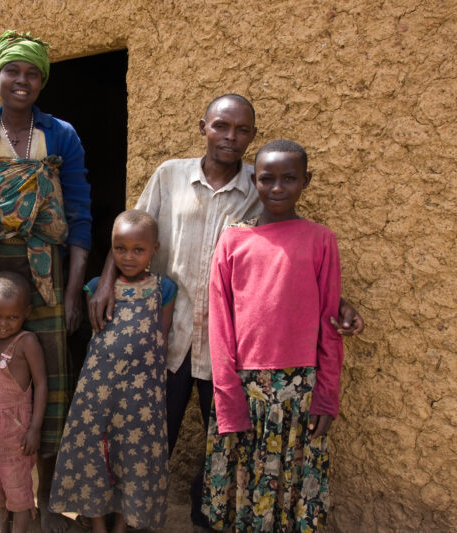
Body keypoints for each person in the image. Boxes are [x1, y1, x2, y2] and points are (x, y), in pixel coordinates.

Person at [88, 94, 364, 529]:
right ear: (204, 127)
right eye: (221, 126)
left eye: (241, 130)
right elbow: (132, 231)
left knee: (224, 446)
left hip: (226, 351)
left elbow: (289, 253)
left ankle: (204, 518)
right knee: (150, 436)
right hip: (169, 337)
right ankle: (128, 520)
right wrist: (105, 280)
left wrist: (336, 303)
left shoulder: (262, 182)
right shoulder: (170, 176)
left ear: (252, 136)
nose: (230, 137)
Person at [0, 30, 92, 533]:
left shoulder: (62, 136)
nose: (22, 81)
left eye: (32, 73)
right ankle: (5, 498)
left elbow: (78, 214)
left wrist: (73, 289)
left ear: (42, 80)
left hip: (46, 275)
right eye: (13, 71)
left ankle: (46, 499)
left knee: (49, 384)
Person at [203, 139, 343, 531]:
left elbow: (330, 326)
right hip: (243, 388)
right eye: (267, 179)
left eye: (289, 179)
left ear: (306, 181)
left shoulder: (320, 240)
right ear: (254, 179)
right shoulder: (233, 240)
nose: (277, 188)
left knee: (291, 489)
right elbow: (220, 323)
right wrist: (228, 395)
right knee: (241, 488)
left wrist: (326, 396)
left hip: (299, 390)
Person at [50, 209, 177, 533]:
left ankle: (121, 526)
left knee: (132, 457)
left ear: (155, 249)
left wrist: (154, 388)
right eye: (120, 248)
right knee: (92, 450)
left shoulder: (163, 290)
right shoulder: (96, 288)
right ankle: (97, 525)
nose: (129, 257)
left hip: (140, 395)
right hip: (97, 392)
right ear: (111, 248)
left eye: (139, 250)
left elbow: (159, 341)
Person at [0, 271, 48, 533]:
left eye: (12, 317)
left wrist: (35, 428)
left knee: (17, 487)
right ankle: (3, 527)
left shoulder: (25, 342)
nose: (3, 323)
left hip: (14, 432)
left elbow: (41, 384)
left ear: (26, 312)